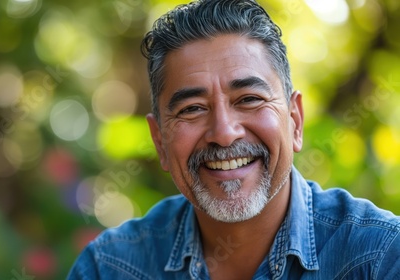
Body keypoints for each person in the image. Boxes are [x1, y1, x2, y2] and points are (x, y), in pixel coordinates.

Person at [68, 0, 400, 279]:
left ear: (295, 121)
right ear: (160, 143)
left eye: (249, 99)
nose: (224, 133)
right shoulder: (110, 267)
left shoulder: (381, 256)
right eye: (193, 108)